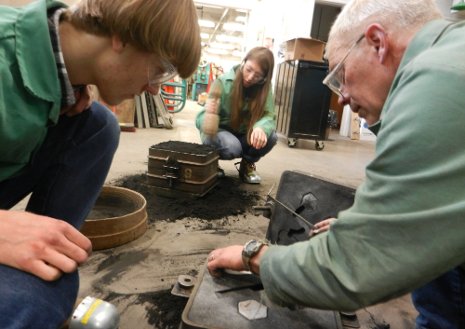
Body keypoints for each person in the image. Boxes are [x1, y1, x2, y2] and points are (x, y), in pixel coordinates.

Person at [207, 0, 465, 328]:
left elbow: (352, 268)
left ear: (377, 43)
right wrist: (364, 222)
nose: (340, 97)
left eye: (341, 74)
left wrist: (254, 256)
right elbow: (425, 201)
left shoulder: (434, 87)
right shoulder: (452, 53)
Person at [0, 0, 201, 328]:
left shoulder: (62, 77)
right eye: (160, 68)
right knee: (28, 306)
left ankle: (45, 264)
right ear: (121, 36)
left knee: (98, 127)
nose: (153, 88)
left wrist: (67, 92)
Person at [195, 47, 277, 184]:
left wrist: (261, 128)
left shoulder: (265, 89)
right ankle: (211, 162)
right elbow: (199, 119)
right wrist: (208, 116)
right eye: (249, 69)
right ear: (243, 62)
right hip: (220, 134)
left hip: (244, 135)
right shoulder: (222, 82)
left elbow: (269, 115)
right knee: (232, 146)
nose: (250, 78)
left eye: (257, 76)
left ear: (264, 78)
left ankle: (247, 165)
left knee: (271, 136)